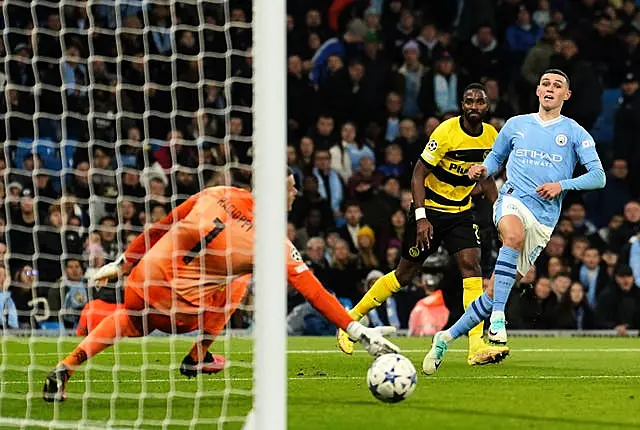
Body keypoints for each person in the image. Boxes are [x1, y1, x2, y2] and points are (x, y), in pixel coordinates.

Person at [43, 170, 400, 402]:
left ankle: (67, 366)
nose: (294, 195)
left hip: (141, 282)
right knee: (242, 274)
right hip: (179, 310)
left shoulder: (215, 193)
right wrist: (360, 332)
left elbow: (164, 224)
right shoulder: (270, 242)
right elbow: (316, 293)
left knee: (128, 320)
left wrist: (123, 263)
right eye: (291, 188)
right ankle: (198, 357)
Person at [423, 69, 606, 375]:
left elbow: (598, 176)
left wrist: (563, 185)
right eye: (545, 83)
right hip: (511, 199)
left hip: (544, 218)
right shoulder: (516, 125)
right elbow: (495, 159)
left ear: (566, 95)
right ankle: (497, 322)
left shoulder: (575, 132)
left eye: (557, 85)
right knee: (512, 237)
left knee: (496, 290)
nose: (550, 88)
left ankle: (445, 337)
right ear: (537, 91)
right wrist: (483, 171)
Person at [337, 84, 509, 366]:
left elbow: (487, 179)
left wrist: (499, 213)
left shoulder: (491, 136)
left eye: (480, 102)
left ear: (487, 107)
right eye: (469, 101)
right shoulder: (445, 132)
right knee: (403, 275)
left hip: (461, 212)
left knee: (472, 267)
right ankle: (350, 319)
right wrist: (421, 218)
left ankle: (476, 345)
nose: (474, 106)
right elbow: (418, 174)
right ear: (462, 105)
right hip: (431, 211)